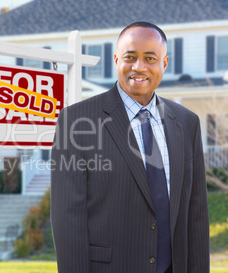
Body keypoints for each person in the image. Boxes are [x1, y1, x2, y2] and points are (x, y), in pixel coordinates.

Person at [50, 22, 210, 273]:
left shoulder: (187, 122)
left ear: (164, 64)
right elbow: (67, 219)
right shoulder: (77, 121)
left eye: (150, 58)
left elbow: (196, 213)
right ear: (116, 60)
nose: (139, 67)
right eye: (130, 57)